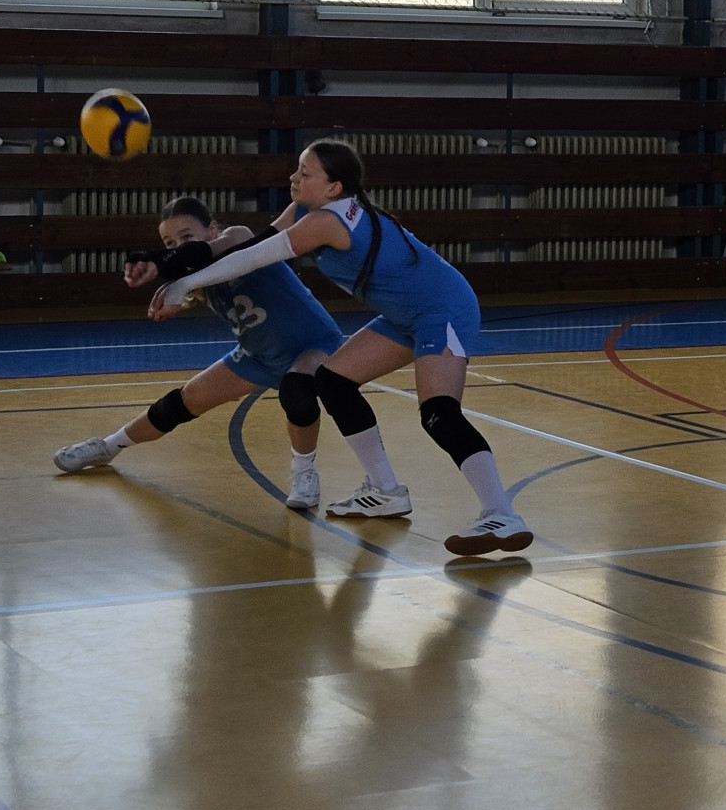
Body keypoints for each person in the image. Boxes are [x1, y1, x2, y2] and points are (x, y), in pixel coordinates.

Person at [149, 142, 533, 560]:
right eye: (297, 169)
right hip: (404, 315)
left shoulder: (326, 221)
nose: (294, 178)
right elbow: (251, 246)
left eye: (305, 173)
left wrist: (186, 284)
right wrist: (179, 278)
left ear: (333, 187)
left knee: (438, 414)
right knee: (332, 381)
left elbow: (253, 259)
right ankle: (385, 491)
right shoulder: (306, 210)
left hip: (443, 309)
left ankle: (501, 514)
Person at [53, 195, 343, 510]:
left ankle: (304, 473)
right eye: (169, 242)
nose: (178, 246)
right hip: (257, 356)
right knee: (180, 404)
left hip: (313, 344)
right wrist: (174, 300)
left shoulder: (238, 237)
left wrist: (172, 276)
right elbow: (189, 289)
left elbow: (213, 256)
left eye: (186, 236)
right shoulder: (193, 280)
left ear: (212, 230)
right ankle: (107, 447)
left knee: (298, 392)